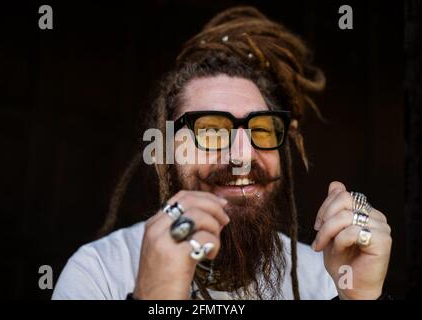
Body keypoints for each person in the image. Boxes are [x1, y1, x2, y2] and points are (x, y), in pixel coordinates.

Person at [52, 6, 392, 300]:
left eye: (261, 129)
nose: (242, 155)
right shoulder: (99, 271)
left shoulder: (327, 276)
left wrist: (361, 297)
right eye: (212, 130)